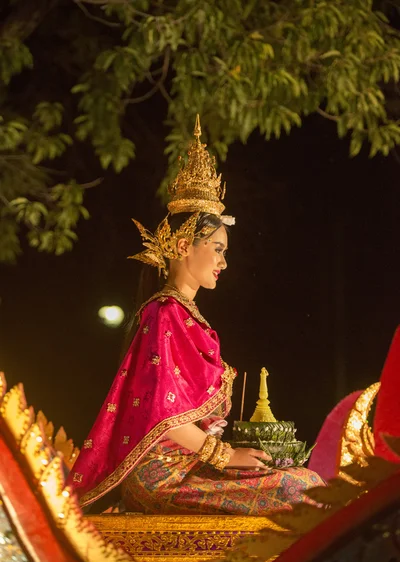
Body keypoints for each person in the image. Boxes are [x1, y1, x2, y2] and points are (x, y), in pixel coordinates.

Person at [67, 115, 323, 514]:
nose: (224, 261)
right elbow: (162, 415)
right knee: (301, 486)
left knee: (303, 479)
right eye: (218, 248)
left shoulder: (182, 315)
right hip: (163, 474)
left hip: (190, 464)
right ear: (186, 244)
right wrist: (226, 457)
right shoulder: (164, 312)